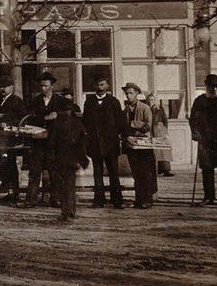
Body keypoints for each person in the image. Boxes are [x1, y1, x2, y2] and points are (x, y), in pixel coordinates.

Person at [20, 72, 67, 208]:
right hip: (38, 141)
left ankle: (56, 199)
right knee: (35, 171)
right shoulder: (35, 101)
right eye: (41, 86)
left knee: (54, 171)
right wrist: (45, 118)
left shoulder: (61, 101)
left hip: (54, 142)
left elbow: (69, 117)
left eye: (46, 86)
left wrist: (58, 115)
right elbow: (29, 118)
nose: (43, 88)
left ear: (52, 86)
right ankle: (31, 200)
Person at [80, 76, 125, 208]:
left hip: (110, 144)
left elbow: (120, 123)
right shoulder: (89, 102)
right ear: (94, 86)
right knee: (97, 172)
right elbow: (85, 122)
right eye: (98, 85)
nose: (100, 88)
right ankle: (99, 200)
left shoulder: (114, 102)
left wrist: (112, 135)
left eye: (102, 84)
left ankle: (117, 200)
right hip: (95, 144)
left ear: (107, 86)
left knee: (113, 172)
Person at [189, 74, 217, 206]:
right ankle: (209, 196)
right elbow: (193, 119)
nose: (212, 88)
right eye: (210, 85)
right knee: (207, 168)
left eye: (215, 85)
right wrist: (196, 134)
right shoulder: (200, 101)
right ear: (206, 86)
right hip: (205, 139)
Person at [48, 98, 90, 222]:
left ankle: (65, 212)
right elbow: (83, 143)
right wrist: (81, 159)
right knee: (70, 187)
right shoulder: (77, 123)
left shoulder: (56, 123)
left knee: (62, 187)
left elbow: (51, 143)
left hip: (60, 159)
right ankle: (70, 211)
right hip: (72, 159)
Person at [122, 82, 156, 209]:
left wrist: (133, 124)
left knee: (145, 172)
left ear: (137, 93)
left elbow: (148, 126)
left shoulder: (145, 108)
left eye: (131, 93)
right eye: (127, 93)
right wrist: (127, 135)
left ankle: (147, 200)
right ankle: (139, 199)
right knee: (136, 173)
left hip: (144, 145)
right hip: (131, 145)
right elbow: (123, 127)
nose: (128, 95)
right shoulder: (125, 110)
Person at [0, 78, 27, 203]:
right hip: (2, 137)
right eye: (1, 87)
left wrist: (9, 124)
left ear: (12, 87)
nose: (2, 89)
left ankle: (14, 192)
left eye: (5, 86)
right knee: (6, 164)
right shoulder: (0, 101)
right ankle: (10, 191)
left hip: (12, 137)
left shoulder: (16, 100)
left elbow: (23, 117)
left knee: (10, 164)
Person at [146, 92, 173, 176]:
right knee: (153, 151)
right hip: (150, 131)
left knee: (163, 150)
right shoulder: (146, 109)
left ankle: (166, 170)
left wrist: (165, 131)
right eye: (149, 100)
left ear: (155, 100)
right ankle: (155, 170)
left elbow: (165, 121)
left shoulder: (159, 109)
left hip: (160, 131)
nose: (150, 101)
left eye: (152, 100)